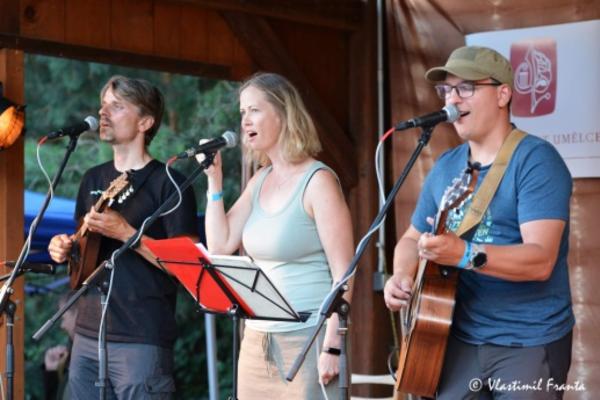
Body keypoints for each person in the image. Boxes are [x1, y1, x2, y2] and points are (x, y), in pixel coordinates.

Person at [383, 46, 574, 399]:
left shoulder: (536, 160)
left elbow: (541, 260)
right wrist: (401, 276)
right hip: (454, 336)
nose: (452, 99)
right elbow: (411, 238)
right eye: (446, 89)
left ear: (503, 94)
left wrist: (463, 253)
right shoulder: (446, 166)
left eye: (466, 87)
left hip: (527, 340)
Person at [201, 72, 354, 399]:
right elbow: (219, 244)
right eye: (242, 112)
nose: (245, 120)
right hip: (256, 340)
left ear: (283, 114)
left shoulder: (318, 181)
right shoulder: (260, 180)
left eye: (254, 110)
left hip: (307, 338)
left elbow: (345, 273)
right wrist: (214, 181)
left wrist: (333, 343)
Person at [47, 75, 198, 399]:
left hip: (141, 337)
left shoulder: (170, 184)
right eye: (103, 105)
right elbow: (84, 252)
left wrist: (128, 233)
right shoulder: (93, 178)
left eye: (116, 106)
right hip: (86, 332)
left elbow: (186, 266)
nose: (103, 113)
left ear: (145, 121)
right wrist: (64, 248)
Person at [43, 292, 78, 400]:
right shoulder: (71, 354)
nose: (62, 326)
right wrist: (52, 371)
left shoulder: (93, 356)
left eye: (63, 318)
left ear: (77, 315)